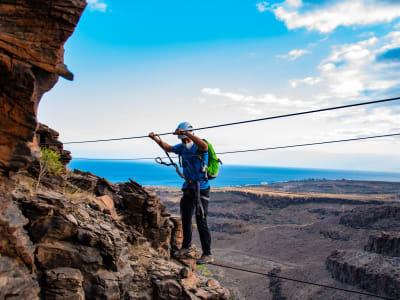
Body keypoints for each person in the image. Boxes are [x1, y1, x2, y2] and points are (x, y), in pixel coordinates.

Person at [149, 122, 214, 264]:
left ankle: (207, 253)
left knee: (201, 220)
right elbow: (168, 148)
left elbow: (205, 146)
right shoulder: (182, 147)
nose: (183, 139)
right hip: (189, 187)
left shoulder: (199, 146)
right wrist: (155, 139)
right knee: (185, 218)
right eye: (181, 136)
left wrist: (187, 133)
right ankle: (186, 247)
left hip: (201, 188)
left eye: (184, 135)